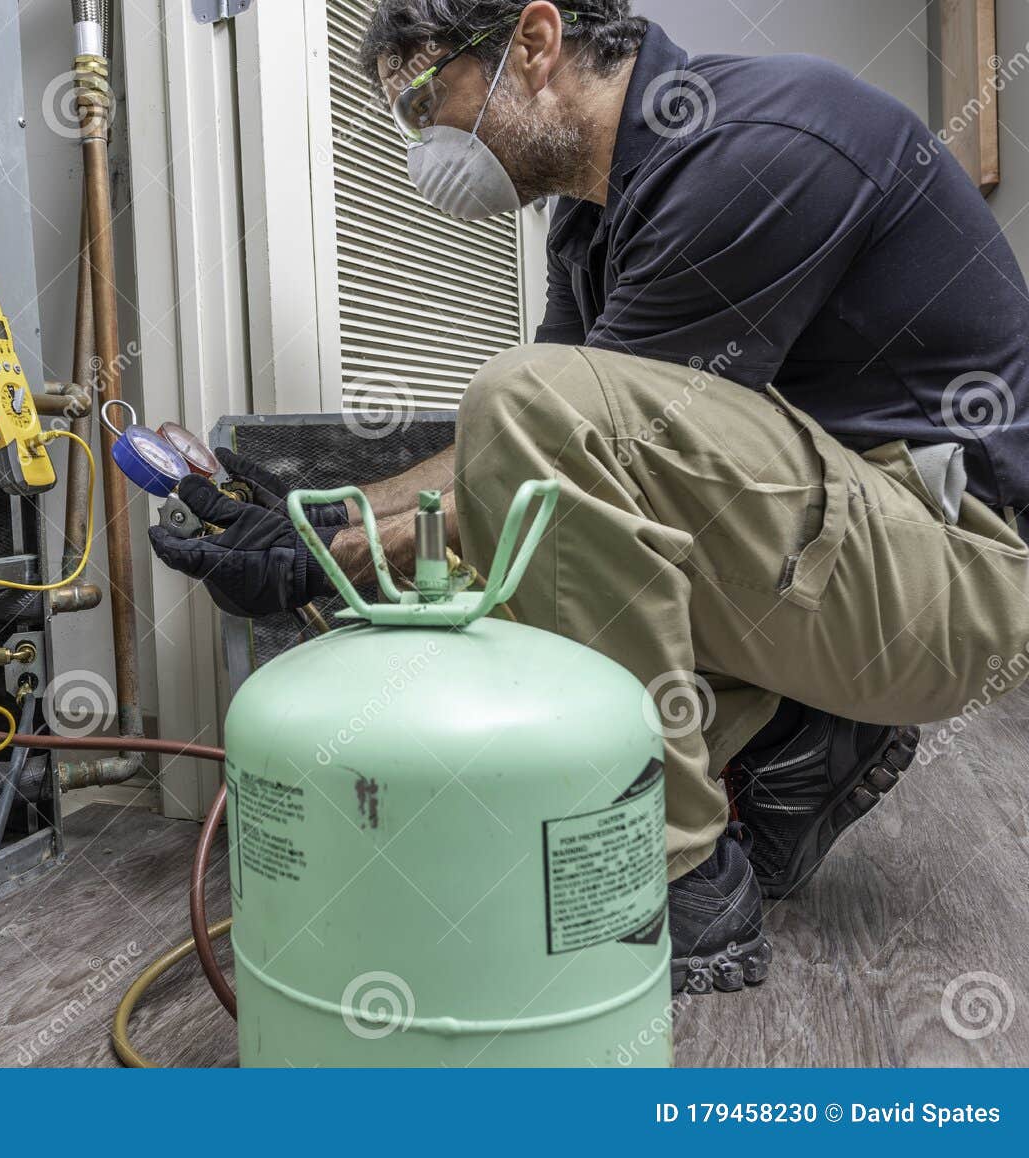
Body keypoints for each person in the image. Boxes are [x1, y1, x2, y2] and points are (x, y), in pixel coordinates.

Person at [148, 0, 1029, 995]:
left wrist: (328, 547)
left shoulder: (753, 147)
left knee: (524, 410)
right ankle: (792, 746)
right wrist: (325, 524)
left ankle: (680, 878)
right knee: (539, 513)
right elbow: (537, 480)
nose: (415, 139)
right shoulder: (592, 222)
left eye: (423, 98)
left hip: (963, 584)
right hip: (855, 554)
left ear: (531, 43)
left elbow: (540, 432)